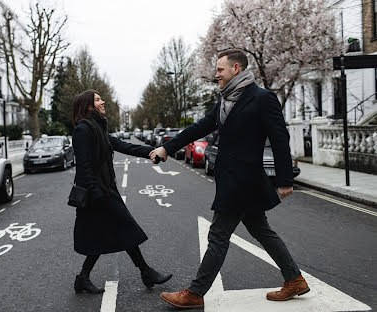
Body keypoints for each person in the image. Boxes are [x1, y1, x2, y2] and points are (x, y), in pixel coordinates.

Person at [150, 49, 309, 308]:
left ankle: (195, 293)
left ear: (236, 69)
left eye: (220, 70)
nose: (216, 75)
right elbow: (199, 127)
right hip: (235, 179)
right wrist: (168, 148)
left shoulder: (262, 98)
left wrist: (285, 178)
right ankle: (294, 280)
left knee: (218, 235)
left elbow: (280, 139)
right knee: (261, 230)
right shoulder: (226, 101)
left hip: (242, 181)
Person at [71, 90, 172, 294]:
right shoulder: (83, 129)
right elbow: (84, 167)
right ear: (88, 106)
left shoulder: (97, 128)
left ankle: (83, 277)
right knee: (125, 227)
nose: (103, 101)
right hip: (97, 194)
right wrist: (98, 194)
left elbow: (123, 145)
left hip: (105, 190)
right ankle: (146, 272)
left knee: (105, 234)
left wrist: (151, 152)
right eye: (98, 99)